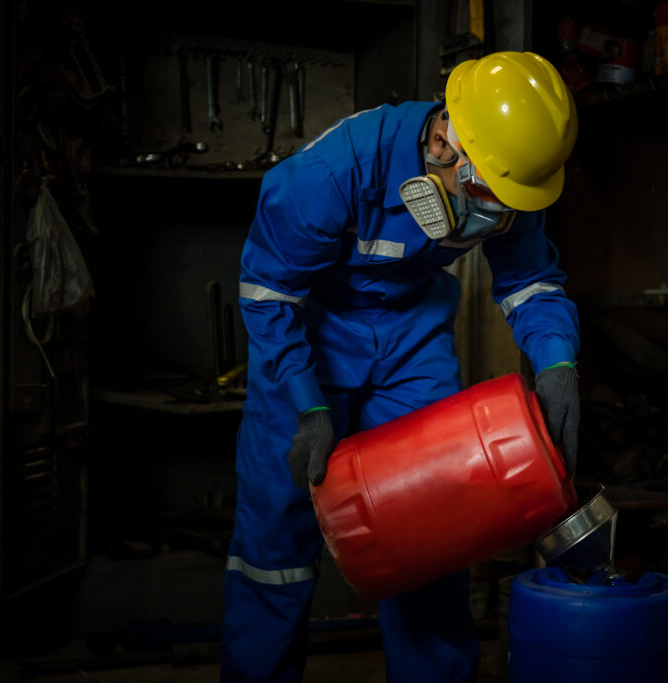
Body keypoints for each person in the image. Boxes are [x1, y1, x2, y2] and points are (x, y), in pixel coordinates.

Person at [223, 51, 581, 682]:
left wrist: (557, 364)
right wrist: (306, 403)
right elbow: (268, 294)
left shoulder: (505, 174)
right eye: (484, 197)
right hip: (307, 337)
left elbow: (529, 281)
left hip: (412, 339)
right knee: (275, 541)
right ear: (445, 140)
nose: (496, 217)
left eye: (508, 203)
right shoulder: (333, 172)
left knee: (430, 525)